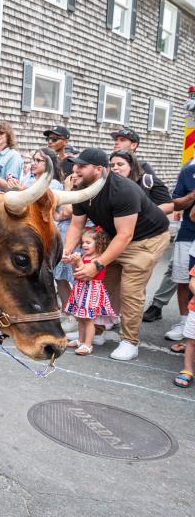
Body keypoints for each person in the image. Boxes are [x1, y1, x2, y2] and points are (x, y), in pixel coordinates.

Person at [63, 148, 170, 361]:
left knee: (130, 291)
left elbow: (125, 235)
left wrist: (97, 264)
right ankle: (98, 332)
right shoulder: (82, 188)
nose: (76, 169)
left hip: (147, 239)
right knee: (102, 285)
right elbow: (76, 225)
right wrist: (67, 250)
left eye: (82, 166)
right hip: (117, 237)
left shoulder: (123, 190)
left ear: (99, 169)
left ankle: (130, 342)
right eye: (76, 165)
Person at [143, 156, 195, 339]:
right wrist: (192, 196)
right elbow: (175, 203)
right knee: (182, 278)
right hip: (188, 232)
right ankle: (183, 322)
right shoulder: (188, 172)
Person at [65, 227, 117, 355]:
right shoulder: (84, 256)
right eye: (83, 242)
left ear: (98, 243)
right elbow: (77, 273)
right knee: (80, 318)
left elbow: (87, 272)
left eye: (88, 242)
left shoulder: (97, 259)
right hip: (81, 289)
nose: (84, 245)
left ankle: (88, 344)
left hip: (91, 291)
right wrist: (73, 262)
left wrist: (79, 261)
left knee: (88, 319)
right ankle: (80, 340)